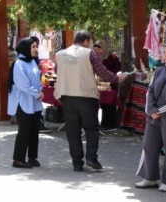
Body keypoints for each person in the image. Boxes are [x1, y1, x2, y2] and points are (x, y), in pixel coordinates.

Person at [54, 31, 127, 172]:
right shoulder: (89, 54)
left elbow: (58, 72)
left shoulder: (60, 54)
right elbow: (103, 73)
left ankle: (77, 163)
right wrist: (118, 78)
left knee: (72, 132)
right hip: (86, 97)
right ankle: (91, 158)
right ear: (86, 41)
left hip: (67, 97)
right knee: (91, 129)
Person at [135, 41, 166, 192]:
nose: (165, 55)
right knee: (149, 147)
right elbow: (150, 91)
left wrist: (159, 111)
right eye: (164, 52)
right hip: (154, 118)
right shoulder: (160, 71)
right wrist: (150, 110)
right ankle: (149, 178)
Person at [7, 37, 44, 168]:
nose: (36, 49)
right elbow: (22, 84)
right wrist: (37, 93)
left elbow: (37, 79)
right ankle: (18, 159)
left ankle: (32, 157)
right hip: (22, 102)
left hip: (34, 102)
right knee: (24, 130)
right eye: (33, 47)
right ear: (26, 48)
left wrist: (40, 89)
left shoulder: (32, 61)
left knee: (34, 130)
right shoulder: (19, 64)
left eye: (36, 47)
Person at [93, 41, 122, 129]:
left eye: (99, 49)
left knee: (109, 104)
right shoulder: (95, 58)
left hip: (111, 84)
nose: (97, 51)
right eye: (95, 49)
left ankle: (109, 125)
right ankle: (101, 124)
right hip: (100, 85)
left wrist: (108, 75)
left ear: (104, 49)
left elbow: (118, 69)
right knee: (101, 104)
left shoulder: (112, 57)